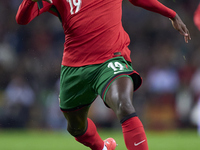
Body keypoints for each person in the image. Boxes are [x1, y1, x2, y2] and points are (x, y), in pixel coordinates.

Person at [16, 0, 191, 149]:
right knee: (75, 127)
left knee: (124, 104)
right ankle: (102, 147)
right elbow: (22, 19)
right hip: (75, 67)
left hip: (110, 59)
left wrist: (171, 14)